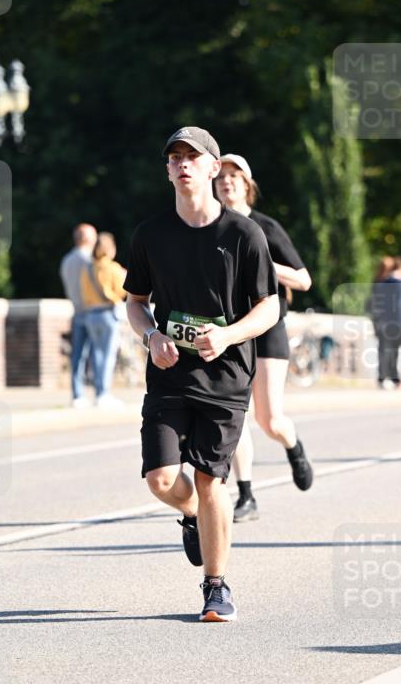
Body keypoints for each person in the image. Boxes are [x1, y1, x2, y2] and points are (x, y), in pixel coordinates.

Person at [124, 127, 279, 621]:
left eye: (193, 157)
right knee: (160, 478)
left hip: (226, 377)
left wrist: (230, 335)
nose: (182, 164)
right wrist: (151, 336)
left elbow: (269, 307)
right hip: (169, 374)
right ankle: (190, 515)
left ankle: (216, 586)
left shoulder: (243, 234)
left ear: (214, 167)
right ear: (168, 170)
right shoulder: (151, 233)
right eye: (174, 157)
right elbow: (134, 303)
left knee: (211, 479)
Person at [214, 154, 314, 522]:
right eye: (221, 176)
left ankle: (293, 445)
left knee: (269, 419)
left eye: (234, 176)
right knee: (235, 415)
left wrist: (261, 262)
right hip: (230, 331)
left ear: (247, 185)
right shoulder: (211, 226)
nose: (227, 182)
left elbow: (304, 280)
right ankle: (246, 494)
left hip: (268, 328)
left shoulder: (265, 227)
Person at [80, 231, 127, 409]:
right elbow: (123, 291)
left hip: (91, 314)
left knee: (96, 355)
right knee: (108, 356)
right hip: (108, 314)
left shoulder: (88, 268)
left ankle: (97, 392)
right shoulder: (113, 268)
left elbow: (83, 293)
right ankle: (103, 393)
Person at [59, 222, 97, 407]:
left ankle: (77, 394)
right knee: (98, 354)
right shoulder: (89, 262)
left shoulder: (67, 260)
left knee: (78, 356)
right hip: (93, 311)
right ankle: (100, 393)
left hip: (77, 312)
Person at [369, 254, 401, 389]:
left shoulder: (379, 284)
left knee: (388, 352)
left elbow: (373, 304)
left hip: (384, 322)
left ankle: (390, 379)